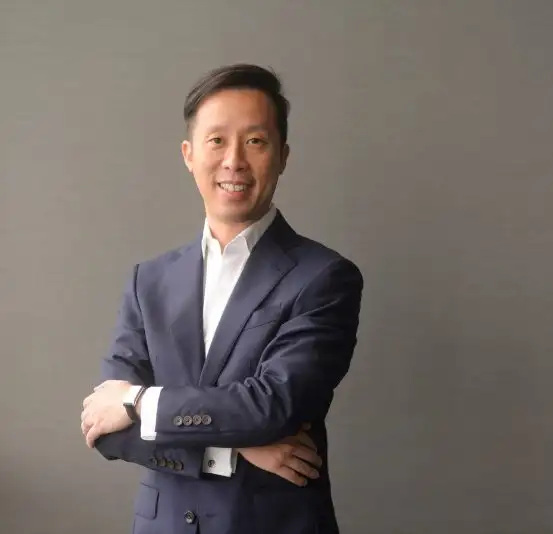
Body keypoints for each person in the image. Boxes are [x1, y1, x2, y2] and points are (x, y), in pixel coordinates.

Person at [79, 63, 363, 534]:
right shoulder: (149, 281)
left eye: (255, 141)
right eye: (216, 140)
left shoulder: (324, 278)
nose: (234, 160)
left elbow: (273, 406)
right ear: (189, 155)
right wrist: (231, 449)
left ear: (283, 156)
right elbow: (106, 431)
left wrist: (137, 401)